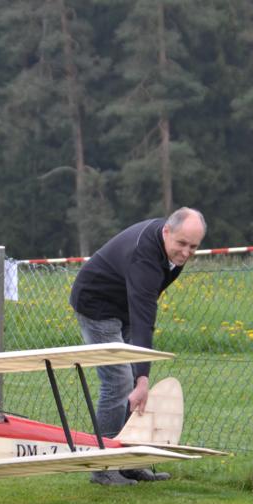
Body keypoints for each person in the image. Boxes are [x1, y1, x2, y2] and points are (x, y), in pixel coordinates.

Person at [70, 207, 206, 485]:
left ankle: (129, 463)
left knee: (133, 381)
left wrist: (140, 376)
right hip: (97, 305)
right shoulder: (145, 257)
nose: (186, 253)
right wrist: (143, 379)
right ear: (166, 231)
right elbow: (144, 318)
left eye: (193, 247)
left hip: (125, 306)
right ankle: (103, 468)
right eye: (182, 243)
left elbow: (145, 302)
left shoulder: (171, 250)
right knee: (120, 381)